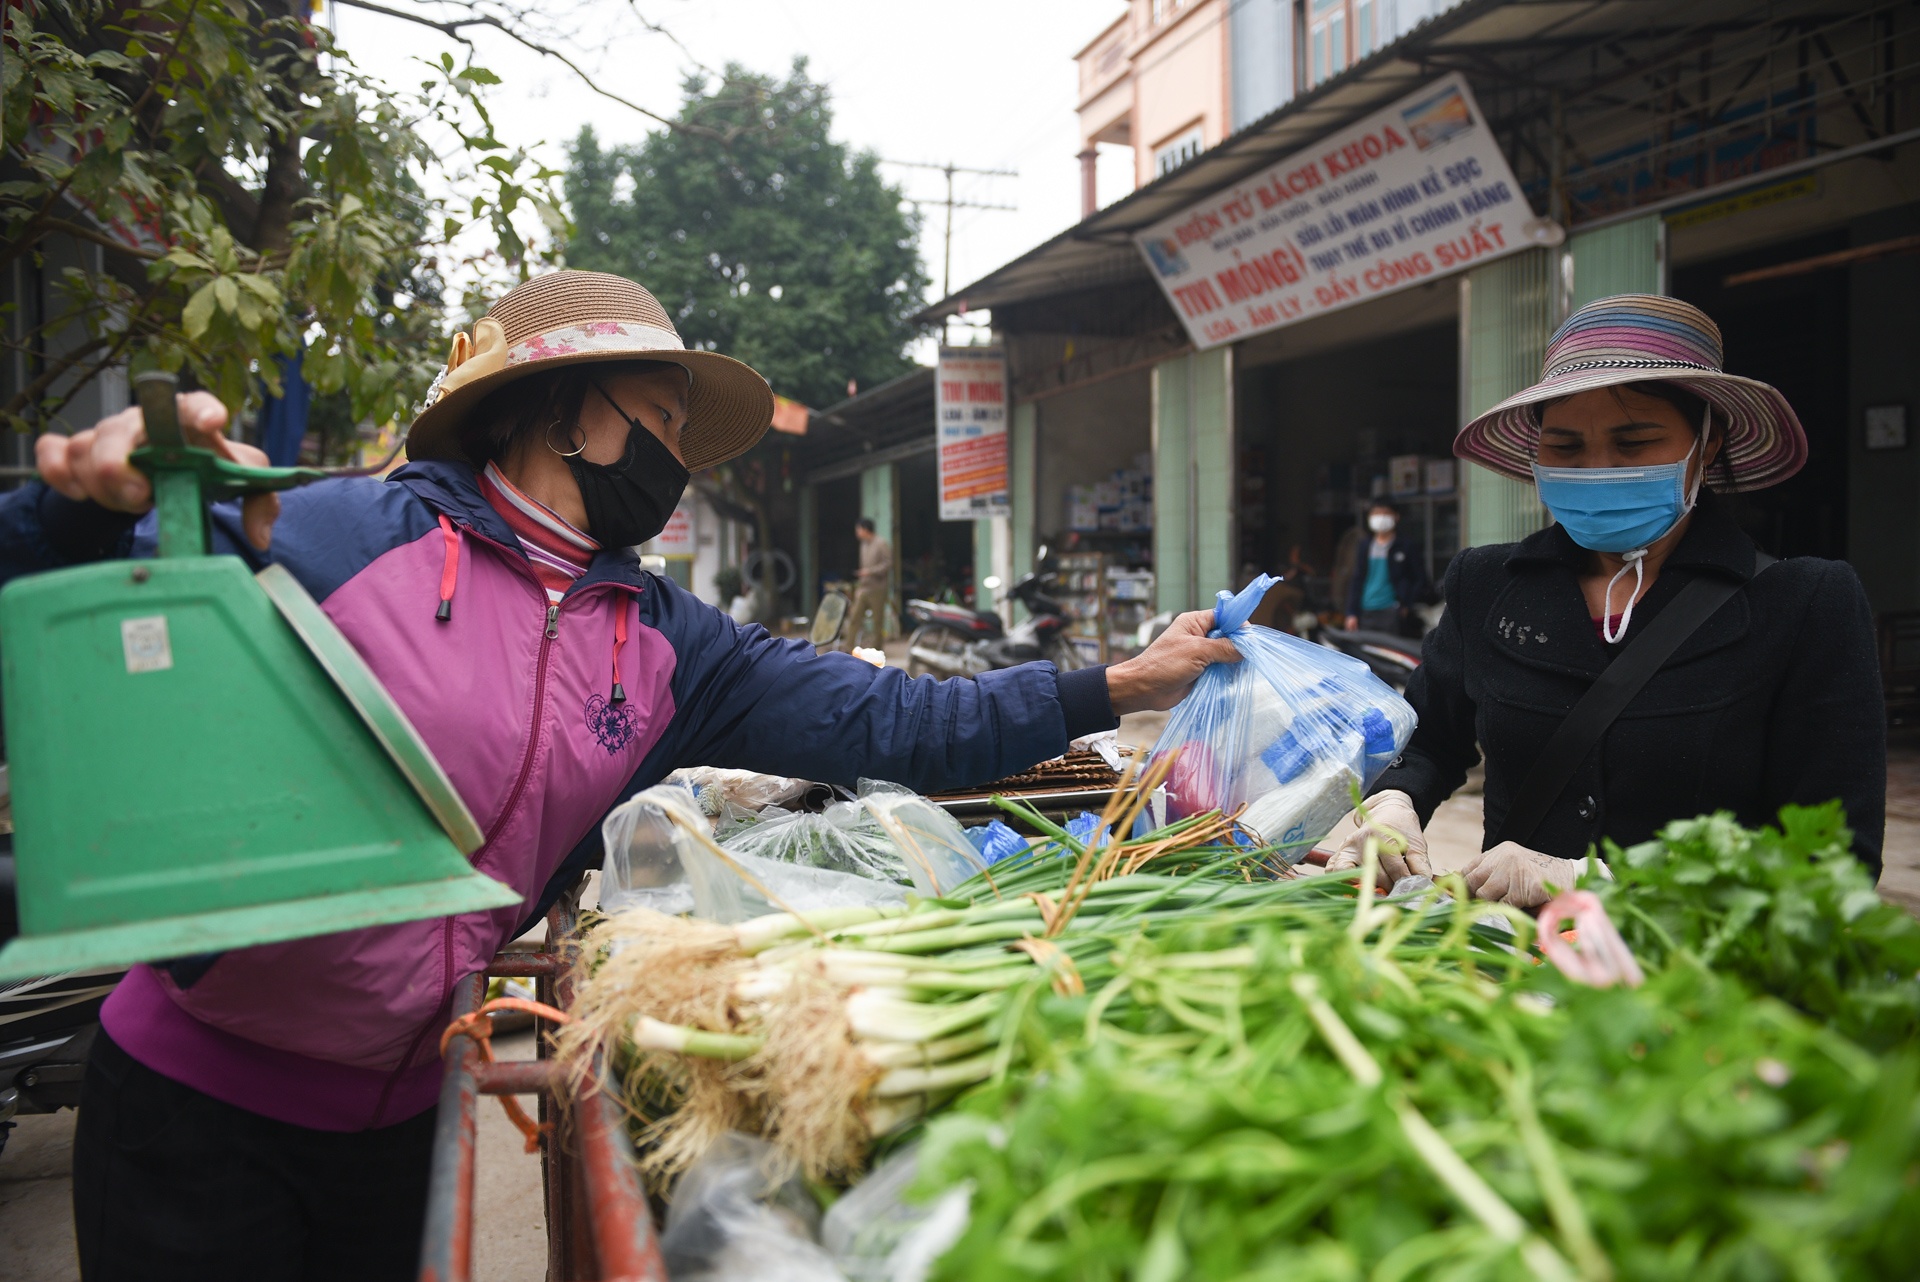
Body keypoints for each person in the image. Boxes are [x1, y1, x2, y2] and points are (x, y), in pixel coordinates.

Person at [13, 270, 1237, 1280]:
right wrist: (75, 505)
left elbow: (894, 720)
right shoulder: (343, 536)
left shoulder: (665, 637)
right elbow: (72, 605)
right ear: (560, 409)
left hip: (400, 1120)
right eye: (656, 417)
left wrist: (1120, 684)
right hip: (196, 1110)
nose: (675, 460)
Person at [1329, 294, 1884, 905]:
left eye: (1635, 441)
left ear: (1709, 441)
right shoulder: (1486, 584)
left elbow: (1836, 860)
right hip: (1512, 965)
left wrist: (1599, 881)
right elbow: (1431, 739)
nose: (1598, 468)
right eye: (1566, 448)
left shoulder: (1803, 603)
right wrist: (1395, 801)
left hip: (1699, 980)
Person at [1343, 500, 1429, 636]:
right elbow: (1357, 579)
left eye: (1385, 513)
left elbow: (1420, 579)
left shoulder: (1406, 546)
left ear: (1396, 517)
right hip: (1366, 610)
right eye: (1376, 513)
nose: (1381, 518)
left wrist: (1406, 604)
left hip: (1392, 611)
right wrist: (1352, 612)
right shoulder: (1365, 546)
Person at [845, 515, 892, 650]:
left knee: (877, 622)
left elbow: (888, 563)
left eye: (859, 529)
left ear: (866, 529)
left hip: (877, 588)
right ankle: (848, 648)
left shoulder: (881, 543)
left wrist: (870, 571)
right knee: (854, 618)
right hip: (864, 588)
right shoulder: (863, 545)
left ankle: (877, 650)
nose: (857, 532)